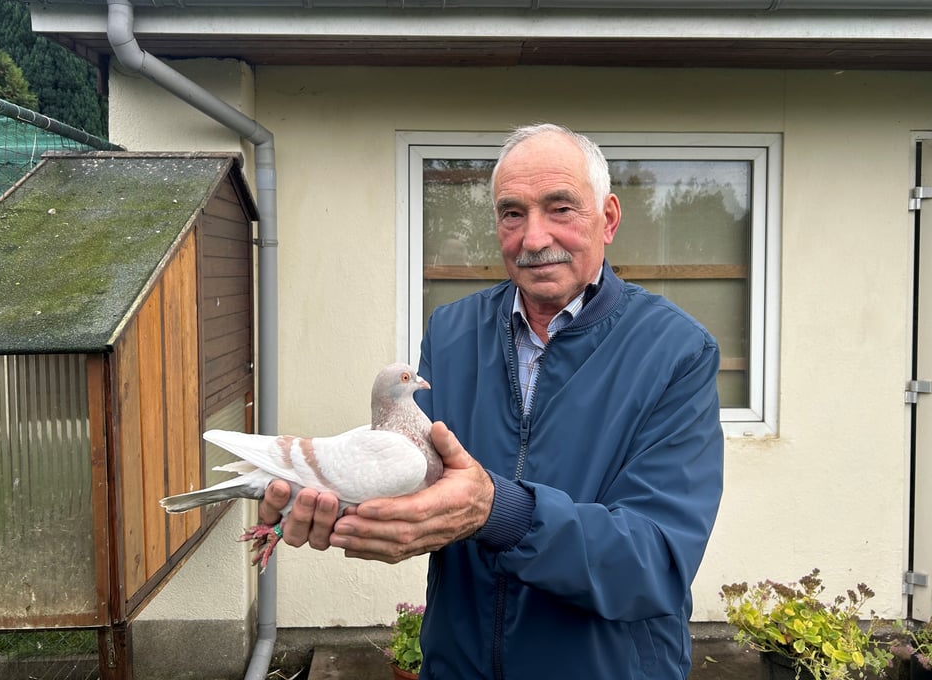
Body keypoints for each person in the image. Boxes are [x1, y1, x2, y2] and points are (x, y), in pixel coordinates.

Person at [260, 123, 724, 679]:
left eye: (560, 209)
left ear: (608, 218)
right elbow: (427, 483)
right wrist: (334, 500)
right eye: (512, 213)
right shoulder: (452, 331)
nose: (532, 239)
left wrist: (499, 511)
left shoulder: (677, 350)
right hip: (459, 664)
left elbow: (655, 562)